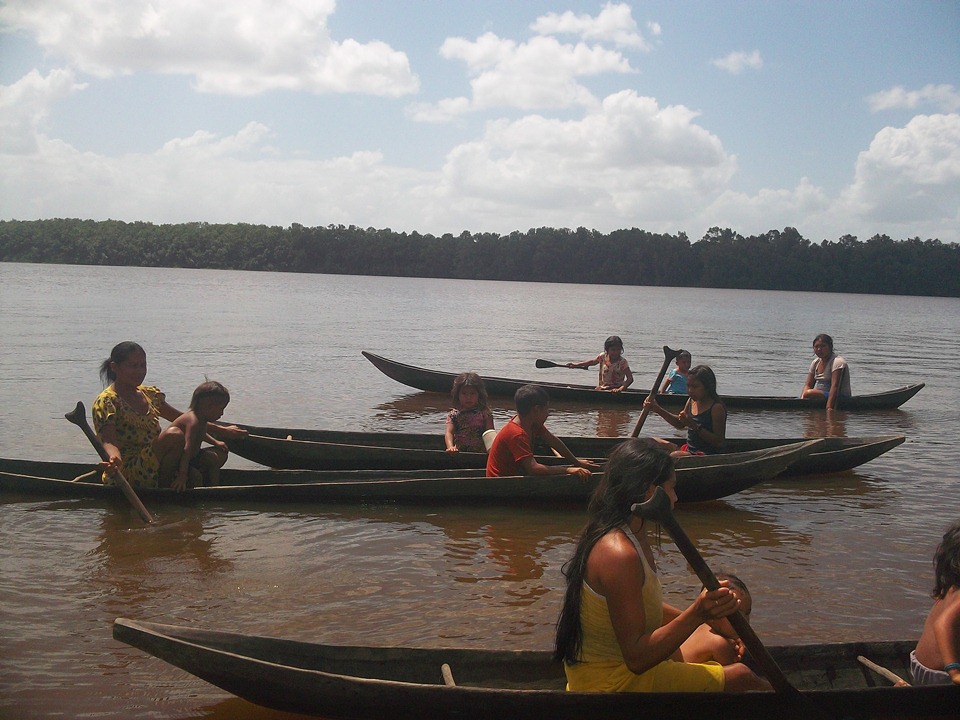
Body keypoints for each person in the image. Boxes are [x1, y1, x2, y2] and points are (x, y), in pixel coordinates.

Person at [554, 440, 770, 693]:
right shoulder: (620, 554)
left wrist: (708, 620)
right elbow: (637, 659)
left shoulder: (630, 532)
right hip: (611, 683)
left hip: (613, 671)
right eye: (672, 488)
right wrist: (697, 614)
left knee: (713, 646)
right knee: (744, 677)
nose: (676, 498)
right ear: (649, 492)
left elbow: (644, 605)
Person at [92, 341, 246, 490]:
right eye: (133, 366)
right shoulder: (107, 401)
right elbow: (108, 441)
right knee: (174, 435)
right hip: (128, 471)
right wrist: (114, 459)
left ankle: (184, 480)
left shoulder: (149, 394)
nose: (139, 371)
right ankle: (166, 488)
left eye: (142, 365)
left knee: (219, 453)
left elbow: (182, 418)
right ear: (115, 367)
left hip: (159, 459)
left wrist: (223, 431)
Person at [485, 384, 599, 478]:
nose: (548, 413)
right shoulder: (517, 434)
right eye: (546, 409)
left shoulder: (531, 423)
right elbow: (533, 469)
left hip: (516, 473)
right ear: (536, 410)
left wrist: (576, 462)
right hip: (502, 480)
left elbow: (553, 442)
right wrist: (568, 469)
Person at [155, 380, 232, 491]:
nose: (222, 413)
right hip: (179, 460)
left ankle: (215, 488)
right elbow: (187, 450)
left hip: (191, 457)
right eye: (221, 409)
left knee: (213, 458)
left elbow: (201, 434)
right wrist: (182, 475)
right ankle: (196, 498)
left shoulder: (202, 419)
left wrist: (215, 442)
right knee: (196, 477)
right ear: (208, 406)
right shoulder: (193, 421)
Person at [912, 520, 960, 686]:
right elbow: (942, 625)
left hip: (920, 666)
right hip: (942, 676)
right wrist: (954, 672)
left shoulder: (951, 588)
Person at [644, 365, 726, 456]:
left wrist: (694, 426)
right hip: (689, 449)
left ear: (707, 387)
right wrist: (657, 409)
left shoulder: (716, 408)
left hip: (703, 455)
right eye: (688, 386)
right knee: (650, 442)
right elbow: (680, 424)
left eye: (695, 387)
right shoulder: (691, 400)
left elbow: (719, 442)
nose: (690, 390)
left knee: (674, 455)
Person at [680, 573, 752, 665]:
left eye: (747, 613)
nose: (745, 621)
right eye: (737, 616)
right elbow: (729, 676)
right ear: (712, 617)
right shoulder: (720, 644)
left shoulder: (696, 628)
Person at [444, 372, 495, 453]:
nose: (468, 397)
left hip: (481, 452)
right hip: (460, 451)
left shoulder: (485, 413)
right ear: (458, 395)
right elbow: (449, 433)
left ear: (479, 395)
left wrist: (492, 451)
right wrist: (450, 447)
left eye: (472, 393)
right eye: (464, 393)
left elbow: (490, 433)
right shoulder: (454, 415)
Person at [800, 333, 852, 410]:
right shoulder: (815, 363)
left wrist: (829, 408)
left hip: (839, 397)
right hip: (822, 396)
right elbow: (808, 384)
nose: (819, 349)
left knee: (809, 393)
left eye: (823, 346)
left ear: (830, 347)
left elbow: (835, 387)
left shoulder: (838, 362)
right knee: (807, 393)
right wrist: (802, 401)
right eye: (816, 347)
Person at [566, 336, 634, 393]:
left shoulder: (622, 362)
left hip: (615, 390)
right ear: (607, 350)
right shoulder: (603, 356)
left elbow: (630, 379)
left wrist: (620, 389)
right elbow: (592, 362)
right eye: (613, 350)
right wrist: (576, 365)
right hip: (602, 388)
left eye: (618, 349)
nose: (616, 352)